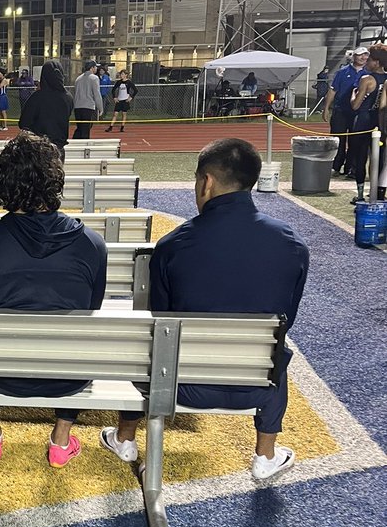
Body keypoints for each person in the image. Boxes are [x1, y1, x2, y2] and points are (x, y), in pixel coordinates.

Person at [99, 138, 309, 485]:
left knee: (146, 344)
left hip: (181, 384)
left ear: (206, 182)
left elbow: (159, 321)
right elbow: (287, 317)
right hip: (256, 384)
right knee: (274, 346)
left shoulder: (173, 246)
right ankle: (266, 456)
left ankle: (125, 438)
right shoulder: (292, 244)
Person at [0, 132, 107, 468]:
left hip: (0, 372)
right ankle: (61, 438)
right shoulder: (92, 245)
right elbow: (91, 310)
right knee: (80, 335)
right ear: (56, 180)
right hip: (68, 374)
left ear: (5, 181)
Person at [348, 46, 387, 203]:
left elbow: (355, 105)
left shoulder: (366, 79)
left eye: (370, 59)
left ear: (376, 62)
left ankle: (360, 194)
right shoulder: (386, 79)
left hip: (363, 122)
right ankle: (376, 192)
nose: (367, 62)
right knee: (378, 158)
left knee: (360, 158)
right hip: (380, 123)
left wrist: (353, 96)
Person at [324, 46, 370, 176]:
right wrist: (326, 108)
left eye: (365, 55)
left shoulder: (368, 74)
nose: (363, 58)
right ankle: (336, 166)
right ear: (354, 56)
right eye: (360, 55)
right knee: (338, 140)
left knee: (355, 141)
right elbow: (333, 90)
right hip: (341, 111)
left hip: (358, 113)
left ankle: (350, 168)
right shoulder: (342, 72)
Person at [17, 59, 74, 159]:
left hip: (39, 149)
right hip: (59, 150)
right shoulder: (68, 97)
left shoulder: (37, 97)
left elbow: (23, 123)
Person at [72, 60, 104, 138]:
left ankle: (74, 145)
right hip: (88, 107)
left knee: (80, 129)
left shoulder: (78, 79)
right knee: (85, 130)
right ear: (92, 68)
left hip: (77, 107)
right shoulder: (94, 78)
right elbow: (96, 94)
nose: (96, 69)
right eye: (95, 67)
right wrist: (100, 108)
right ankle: (83, 148)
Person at [106, 68, 137, 133]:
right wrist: (114, 97)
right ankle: (111, 127)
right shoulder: (119, 82)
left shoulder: (129, 82)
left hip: (125, 100)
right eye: (121, 74)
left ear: (126, 75)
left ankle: (122, 127)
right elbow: (113, 90)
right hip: (119, 100)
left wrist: (131, 97)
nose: (121, 75)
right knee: (115, 114)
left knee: (124, 114)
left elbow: (135, 90)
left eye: (123, 74)